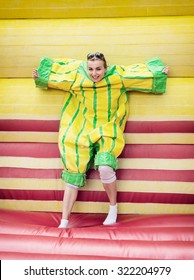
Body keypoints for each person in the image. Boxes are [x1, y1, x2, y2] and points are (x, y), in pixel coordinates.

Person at [32, 53, 168, 228]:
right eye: (90, 69)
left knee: (104, 166)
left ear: (105, 68)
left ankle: (113, 208)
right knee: (73, 173)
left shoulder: (117, 77)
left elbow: (136, 74)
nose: (94, 73)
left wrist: (157, 72)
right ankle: (64, 222)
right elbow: (59, 78)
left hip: (107, 128)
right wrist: (42, 76)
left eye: (98, 69)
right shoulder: (77, 76)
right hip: (82, 129)